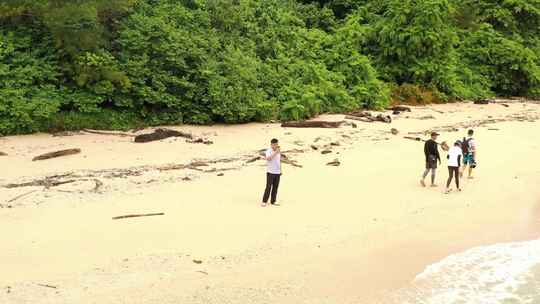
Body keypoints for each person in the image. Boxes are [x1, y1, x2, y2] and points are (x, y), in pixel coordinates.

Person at [261, 138, 282, 207]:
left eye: (277, 144)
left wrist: (280, 170)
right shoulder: (268, 151)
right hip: (270, 172)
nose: (276, 145)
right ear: (271, 144)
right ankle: (264, 201)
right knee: (268, 187)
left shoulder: (278, 151)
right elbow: (268, 159)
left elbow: (278, 161)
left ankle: (273, 201)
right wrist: (276, 152)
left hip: (277, 172)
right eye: (274, 144)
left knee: (275, 187)